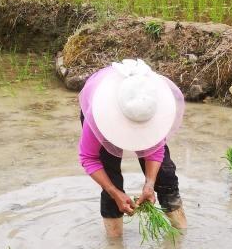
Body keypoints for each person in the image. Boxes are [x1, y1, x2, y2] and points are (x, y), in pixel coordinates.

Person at [78, 59, 187, 238]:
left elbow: (156, 149)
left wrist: (149, 185)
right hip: (102, 108)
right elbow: (88, 158)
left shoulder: (154, 105)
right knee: (111, 178)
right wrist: (115, 193)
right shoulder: (98, 114)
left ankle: (182, 237)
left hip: (143, 107)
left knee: (165, 175)